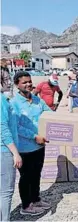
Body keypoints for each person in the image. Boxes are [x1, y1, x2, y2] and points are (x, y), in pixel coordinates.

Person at [11, 71, 52, 216]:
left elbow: (49, 114)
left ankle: (36, 199)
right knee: (26, 176)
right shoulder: (14, 103)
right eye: (24, 82)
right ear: (17, 85)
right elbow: (17, 127)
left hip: (40, 146)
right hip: (25, 147)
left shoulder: (37, 100)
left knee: (36, 174)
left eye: (29, 81)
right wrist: (34, 136)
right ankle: (26, 205)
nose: (28, 84)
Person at [1, 89, 22, 221]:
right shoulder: (1, 100)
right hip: (4, 150)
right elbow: (2, 128)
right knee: (5, 192)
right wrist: (15, 153)